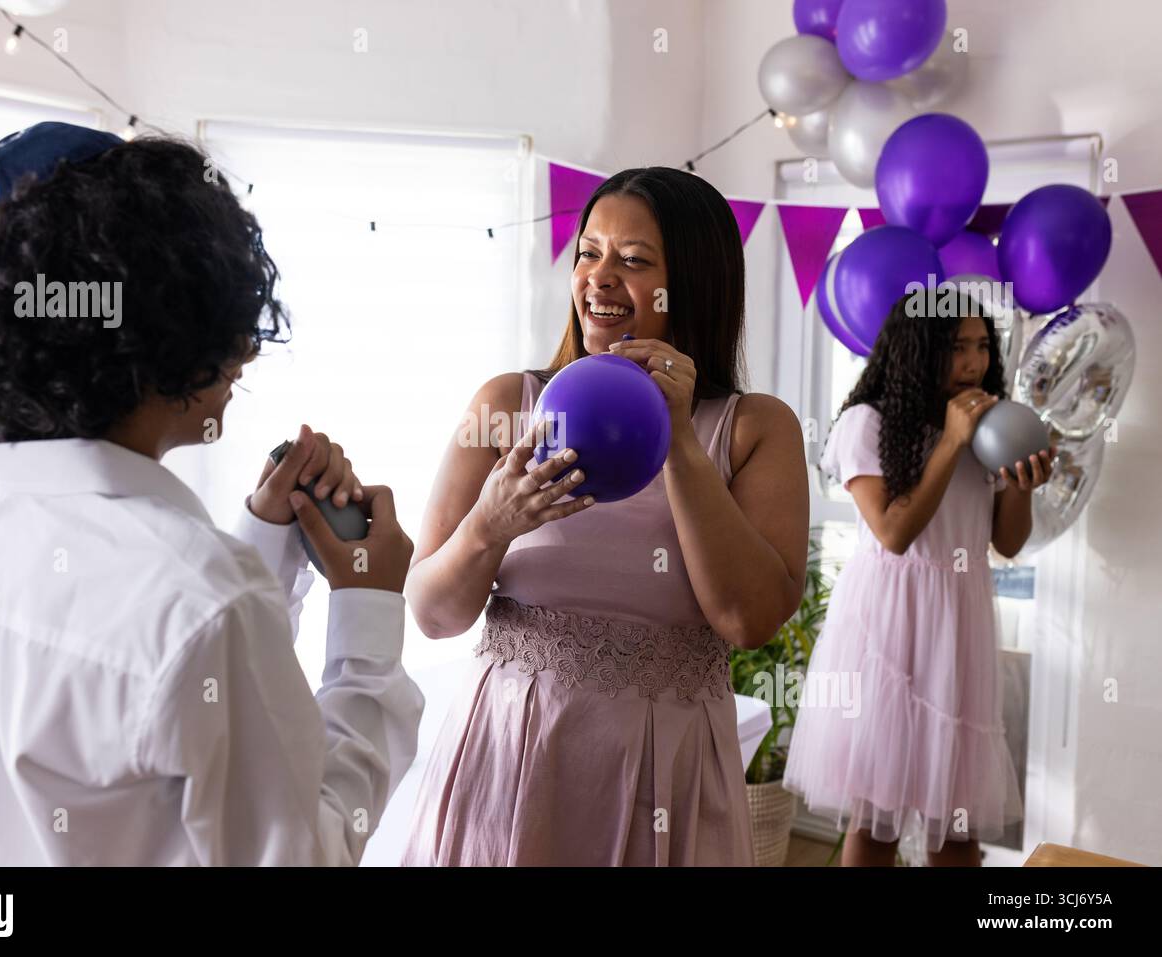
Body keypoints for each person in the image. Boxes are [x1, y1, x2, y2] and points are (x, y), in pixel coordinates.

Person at [0, 122, 422, 865]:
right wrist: (368, 618)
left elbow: (157, 694)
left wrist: (265, 542)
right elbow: (313, 852)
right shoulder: (204, 598)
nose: (244, 349)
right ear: (161, 321)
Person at [401, 167, 809, 866]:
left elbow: (749, 619)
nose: (599, 275)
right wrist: (489, 524)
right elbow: (432, 613)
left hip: (666, 774)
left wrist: (678, 439)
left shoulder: (754, 429)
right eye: (589, 251)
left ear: (693, 282)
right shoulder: (507, 404)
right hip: (512, 760)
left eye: (634, 260)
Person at [784, 289, 1052, 866]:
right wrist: (952, 442)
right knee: (875, 821)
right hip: (888, 629)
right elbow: (894, 533)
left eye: (982, 347)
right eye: (957, 348)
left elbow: (1006, 543)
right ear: (918, 351)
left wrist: (1021, 487)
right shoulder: (867, 424)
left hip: (959, 626)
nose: (974, 363)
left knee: (957, 831)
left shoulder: (991, 431)